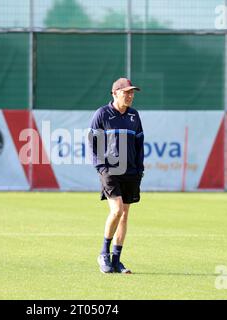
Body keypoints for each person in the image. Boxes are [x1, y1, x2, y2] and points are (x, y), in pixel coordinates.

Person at [88, 77, 144, 274]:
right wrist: (101, 166)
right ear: (114, 93)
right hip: (110, 170)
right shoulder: (102, 114)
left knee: (124, 216)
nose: (130, 96)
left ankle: (117, 260)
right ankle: (103, 254)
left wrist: (139, 168)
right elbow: (92, 143)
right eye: (126, 92)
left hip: (131, 172)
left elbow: (139, 144)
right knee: (117, 210)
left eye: (132, 93)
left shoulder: (134, 116)